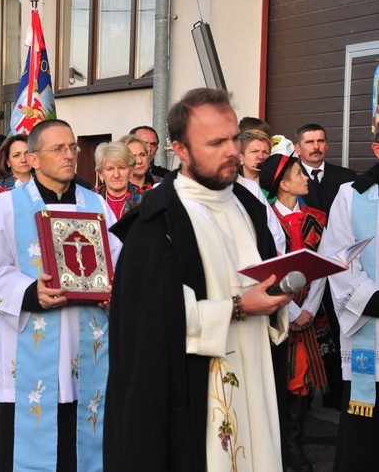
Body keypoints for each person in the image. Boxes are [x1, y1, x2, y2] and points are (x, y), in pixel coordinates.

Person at [104, 88, 291, 471]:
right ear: (181, 150)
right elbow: (145, 324)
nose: (232, 152)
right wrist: (238, 307)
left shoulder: (248, 206)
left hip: (255, 375)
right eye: (216, 142)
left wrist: (279, 291)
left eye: (234, 138)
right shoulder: (157, 223)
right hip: (195, 395)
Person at [0, 119, 121, 471]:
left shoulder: (96, 205)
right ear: (33, 159)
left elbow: (119, 261)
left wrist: (116, 289)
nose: (69, 155)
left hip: (89, 352)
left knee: (84, 442)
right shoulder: (8, 206)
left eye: (72, 147)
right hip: (32, 354)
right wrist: (29, 293)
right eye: (58, 149)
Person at [259, 154, 332, 472]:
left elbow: (323, 267)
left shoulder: (318, 217)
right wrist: (293, 311)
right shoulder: (266, 219)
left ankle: (294, 446)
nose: (306, 176)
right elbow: (268, 271)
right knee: (280, 381)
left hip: (308, 313)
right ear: (284, 184)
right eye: (299, 172)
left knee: (302, 384)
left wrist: (311, 309)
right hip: (280, 313)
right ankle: (282, 451)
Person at [319, 129, 379, 471]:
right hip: (371, 324)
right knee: (364, 440)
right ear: (376, 148)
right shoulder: (352, 196)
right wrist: (373, 299)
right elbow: (337, 255)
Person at [294, 123, 357, 409]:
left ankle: (336, 396)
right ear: (298, 148)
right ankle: (304, 397)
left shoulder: (348, 179)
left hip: (343, 267)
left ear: (327, 145)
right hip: (308, 270)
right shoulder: (290, 180)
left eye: (321, 140)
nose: (316, 146)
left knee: (338, 327)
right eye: (309, 142)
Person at [93, 141, 136, 220]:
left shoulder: (145, 200)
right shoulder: (90, 198)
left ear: (131, 171)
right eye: (109, 169)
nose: (116, 175)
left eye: (122, 168)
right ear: (101, 174)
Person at [118, 134, 161, 208]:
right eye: (133, 157)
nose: (139, 161)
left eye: (142, 155)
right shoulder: (116, 187)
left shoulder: (161, 184)